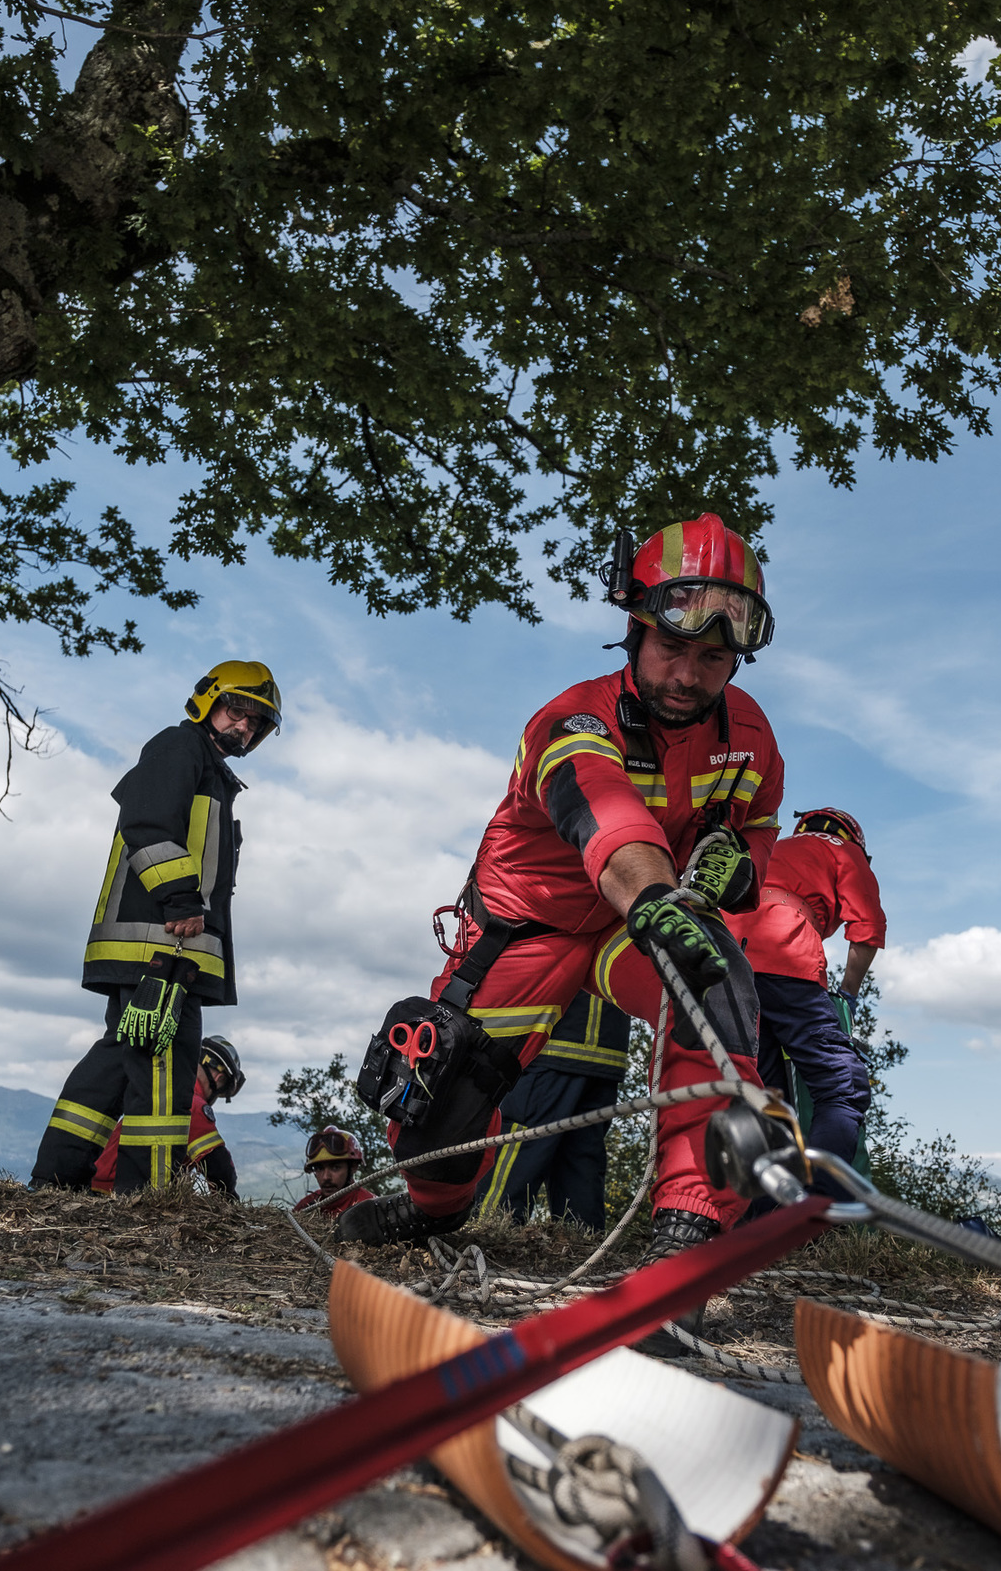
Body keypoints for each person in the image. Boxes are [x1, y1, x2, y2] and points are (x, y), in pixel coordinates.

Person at [340, 513, 785, 1259]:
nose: (688, 675)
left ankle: (689, 1229)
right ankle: (431, 1209)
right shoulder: (571, 719)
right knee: (443, 1094)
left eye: (713, 658)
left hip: (632, 929)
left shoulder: (750, 735)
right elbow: (607, 821)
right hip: (534, 927)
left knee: (712, 978)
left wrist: (740, 863)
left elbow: (758, 826)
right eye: (673, 647)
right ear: (635, 631)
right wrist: (655, 896)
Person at [29, 662, 281, 1194]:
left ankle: (56, 1179)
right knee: (167, 1066)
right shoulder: (179, 747)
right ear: (207, 701)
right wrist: (181, 898)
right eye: (238, 711)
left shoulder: (208, 767)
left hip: (156, 945)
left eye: (257, 723)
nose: (245, 727)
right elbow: (146, 820)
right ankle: (148, 1199)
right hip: (165, 946)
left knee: (119, 1062)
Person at [733, 808, 886, 1171]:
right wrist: (847, 994)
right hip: (786, 953)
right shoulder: (843, 850)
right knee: (842, 1086)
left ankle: (766, 1216)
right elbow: (866, 928)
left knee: (765, 1096)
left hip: (729, 960)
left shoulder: (773, 847)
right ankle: (820, 1205)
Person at [476, 991, 631, 1231]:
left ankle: (485, 1232)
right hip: (607, 1051)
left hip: (552, 1043)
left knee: (520, 1142)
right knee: (582, 1159)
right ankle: (583, 1246)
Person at [91, 1036, 244, 1197]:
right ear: (219, 1079)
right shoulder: (192, 1103)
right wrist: (230, 1204)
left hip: (104, 1185)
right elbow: (219, 1169)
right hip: (118, 1192)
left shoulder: (164, 1091)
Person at [293, 1128, 376, 1218]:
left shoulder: (370, 1207)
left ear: (353, 1167)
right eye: (319, 1168)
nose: (326, 1177)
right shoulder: (306, 1205)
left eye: (335, 1168)